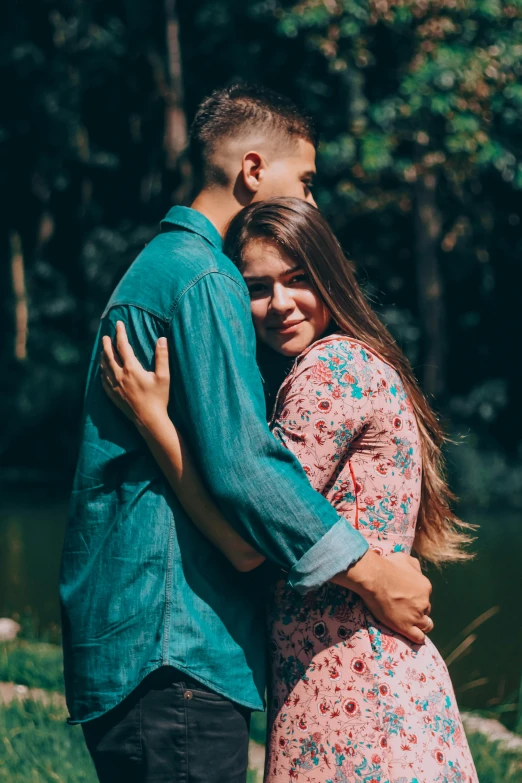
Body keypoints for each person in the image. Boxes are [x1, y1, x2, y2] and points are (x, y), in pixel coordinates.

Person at [60, 84, 432, 783]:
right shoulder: (205, 278)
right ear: (254, 169)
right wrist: (371, 569)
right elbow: (245, 468)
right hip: (172, 649)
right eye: (308, 181)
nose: (312, 203)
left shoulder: (163, 267)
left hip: (148, 648)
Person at [100, 198, 478, 783]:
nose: (279, 304)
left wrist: (155, 423)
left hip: (351, 693)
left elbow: (249, 537)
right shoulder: (359, 362)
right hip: (367, 685)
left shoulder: (331, 370)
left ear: (330, 274)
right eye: (257, 287)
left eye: (298, 279)